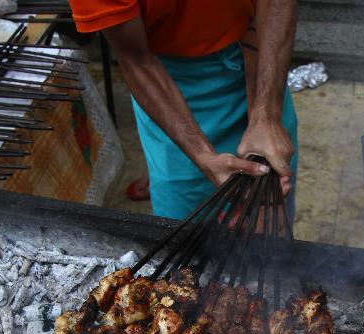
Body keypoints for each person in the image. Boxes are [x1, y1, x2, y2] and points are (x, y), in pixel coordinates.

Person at [67, 0, 299, 220]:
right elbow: (135, 58)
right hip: (167, 84)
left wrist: (266, 114)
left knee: (270, 216)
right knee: (187, 226)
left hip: (264, 60)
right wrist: (204, 156)